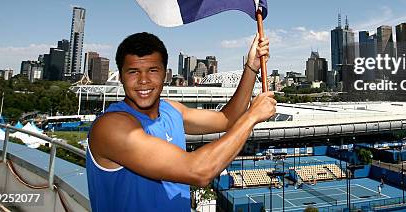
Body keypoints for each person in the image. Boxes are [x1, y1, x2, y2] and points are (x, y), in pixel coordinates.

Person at [86, 32, 274, 211]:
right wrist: (251, 117)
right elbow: (199, 172)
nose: (143, 80)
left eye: (153, 70)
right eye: (133, 72)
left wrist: (251, 66)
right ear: (120, 77)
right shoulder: (111, 127)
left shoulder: (170, 110)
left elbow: (227, 119)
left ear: (164, 74)